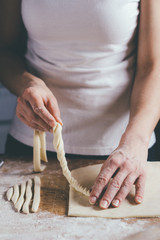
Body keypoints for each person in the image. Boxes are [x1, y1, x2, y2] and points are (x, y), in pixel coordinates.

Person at [0, 0, 160, 210]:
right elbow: (5, 51)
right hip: (31, 151)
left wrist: (136, 140)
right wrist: (27, 83)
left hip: (125, 153)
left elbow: (153, 65)